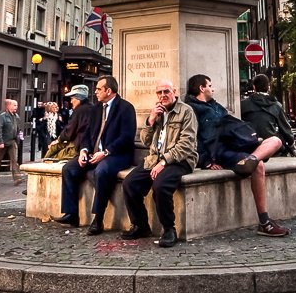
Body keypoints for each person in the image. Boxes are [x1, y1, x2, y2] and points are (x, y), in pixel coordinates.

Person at [186, 74, 289, 236]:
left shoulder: (217, 106)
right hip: (222, 151)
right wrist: (205, 160)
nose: (213, 89)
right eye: (210, 85)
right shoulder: (191, 109)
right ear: (202, 88)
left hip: (239, 143)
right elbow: (192, 137)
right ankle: (264, 222)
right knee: (259, 166)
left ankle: (251, 158)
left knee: (276, 141)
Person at [122, 80, 198, 246]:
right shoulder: (157, 112)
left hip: (180, 160)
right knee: (129, 183)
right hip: (154, 159)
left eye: (166, 91)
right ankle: (141, 225)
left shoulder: (186, 111)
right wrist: (150, 120)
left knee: (160, 186)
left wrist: (164, 162)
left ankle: (169, 229)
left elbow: (187, 144)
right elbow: (145, 140)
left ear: (174, 92)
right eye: (159, 93)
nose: (163, 95)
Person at [64, 76, 136, 235]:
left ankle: (98, 219)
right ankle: (71, 214)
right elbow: (87, 134)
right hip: (93, 153)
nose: (95, 92)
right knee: (69, 168)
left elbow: (126, 137)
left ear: (108, 91)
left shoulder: (125, 108)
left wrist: (105, 152)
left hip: (116, 155)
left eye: (98, 89)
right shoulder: (96, 108)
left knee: (101, 171)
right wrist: (84, 151)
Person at [240, 74, 296, 154]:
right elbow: (285, 129)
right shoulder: (276, 105)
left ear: (254, 87)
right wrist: (292, 145)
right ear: (268, 87)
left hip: (250, 145)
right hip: (271, 147)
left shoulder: (243, 105)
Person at [0, 98, 23, 185]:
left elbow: (18, 128)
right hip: (3, 141)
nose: (16, 107)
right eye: (14, 105)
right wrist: (0, 142)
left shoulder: (16, 117)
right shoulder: (2, 116)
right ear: (8, 106)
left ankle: (17, 178)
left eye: (16, 105)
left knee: (14, 160)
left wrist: (19, 137)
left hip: (12, 141)